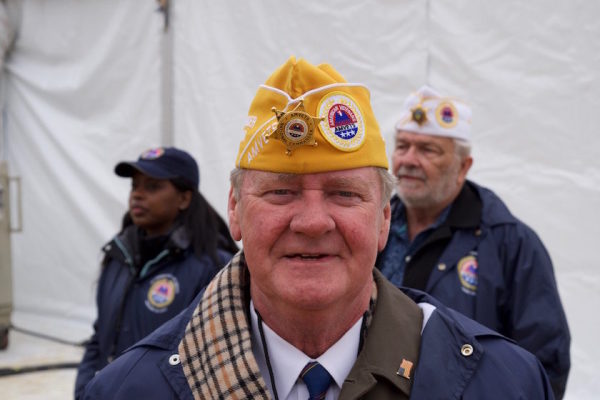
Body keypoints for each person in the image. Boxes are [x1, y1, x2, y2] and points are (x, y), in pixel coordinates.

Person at [82, 57, 553, 399]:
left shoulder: (509, 385)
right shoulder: (127, 391)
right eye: (280, 192)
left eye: (344, 194)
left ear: (384, 218)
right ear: (235, 210)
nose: (311, 222)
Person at [377, 85, 570, 399]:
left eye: (427, 150)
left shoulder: (511, 243)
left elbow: (543, 362)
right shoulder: (371, 226)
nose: (408, 160)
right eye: (402, 146)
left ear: (463, 167)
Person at [74, 146, 238, 399]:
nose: (137, 195)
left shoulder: (213, 268)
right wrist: (85, 391)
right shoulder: (117, 257)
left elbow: (218, 361)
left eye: (152, 187)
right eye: (134, 186)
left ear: (184, 199)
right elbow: (100, 338)